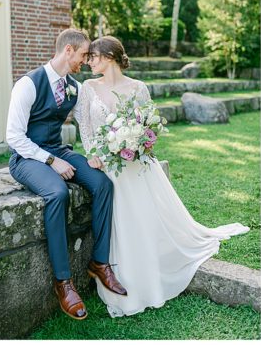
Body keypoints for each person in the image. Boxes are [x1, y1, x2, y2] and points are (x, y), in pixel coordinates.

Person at [73, 35, 249, 317]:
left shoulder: (138, 87)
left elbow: (148, 125)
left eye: (92, 56)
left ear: (108, 56)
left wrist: (139, 142)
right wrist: (93, 153)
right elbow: (85, 125)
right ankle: (125, 276)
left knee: (146, 216)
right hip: (106, 164)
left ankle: (154, 265)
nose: (88, 62)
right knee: (121, 218)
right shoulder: (88, 87)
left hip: (136, 162)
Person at [6, 28, 125, 320]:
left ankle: (99, 263)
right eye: (84, 55)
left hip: (59, 150)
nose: (86, 61)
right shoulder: (28, 84)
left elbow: (87, 124)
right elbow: (13, 137)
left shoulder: (73, 86)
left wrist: (100, 151)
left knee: (102, 184)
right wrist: (50, 161)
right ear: (68, 50)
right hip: (26, 157)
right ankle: (64, 282)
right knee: (57, 193)